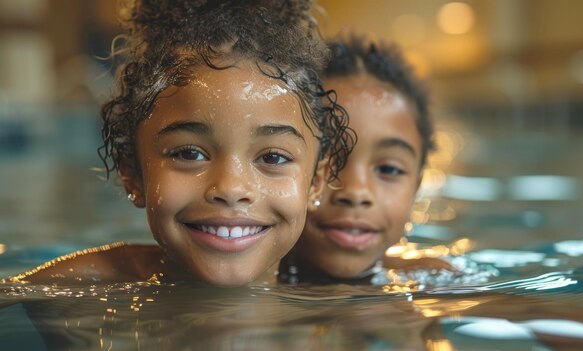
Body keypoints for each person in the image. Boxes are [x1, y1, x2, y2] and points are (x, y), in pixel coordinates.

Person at [6, 0, 354, 288]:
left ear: (316, 181)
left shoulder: (352, 302)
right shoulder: (65, 290)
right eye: (189, 153)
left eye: (274, 157)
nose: (231, 188)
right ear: (133, 174)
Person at [281, 36, 448, 284]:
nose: (356, 192)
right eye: (327, 160)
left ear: (416, 187)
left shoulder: (433, 281)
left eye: (389, 169)